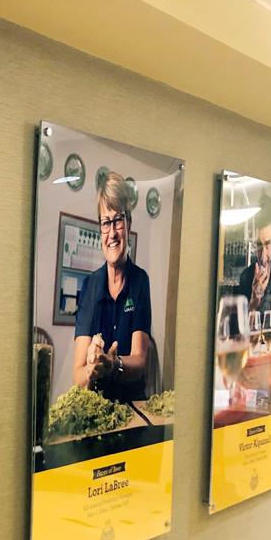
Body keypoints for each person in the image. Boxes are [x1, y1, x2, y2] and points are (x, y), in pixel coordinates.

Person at [72, 172, 152, 402]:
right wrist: (92, 368)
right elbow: (77, 374)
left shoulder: (140, 282)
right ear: (100, 229)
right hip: (96, 406)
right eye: (106, 223)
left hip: (133, 406)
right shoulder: (90, 287)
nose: (112, 233)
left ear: (128, 224)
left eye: (118, 220)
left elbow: (139, 361)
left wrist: (113, 365)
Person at [236, 193, 271, 314]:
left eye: (267, 243)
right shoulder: (245, 277)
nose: (263, 256)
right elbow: (238, 330)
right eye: (259, 245)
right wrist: (254, 300)